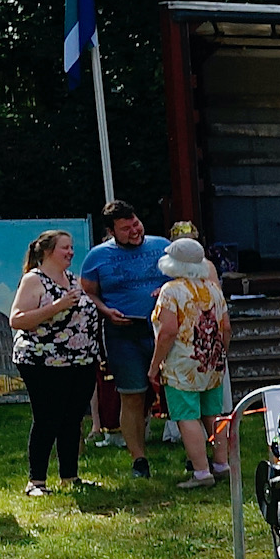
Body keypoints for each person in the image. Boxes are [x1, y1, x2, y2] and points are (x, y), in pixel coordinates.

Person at [79, 200, 171, 479]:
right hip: (123, 333)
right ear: (111, 232)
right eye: (126, 229)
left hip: (163, 329)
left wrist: (168, 289)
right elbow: (88, 292)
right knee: (132, 395)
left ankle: (197, 457)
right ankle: (139, 460)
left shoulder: (162, 246)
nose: (134, 231)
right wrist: (105, 310)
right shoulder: (97, 257)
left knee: (178, 392)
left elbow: (185, 277)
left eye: (136, 224)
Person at [10, 229, 99, 495]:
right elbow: (17, 319)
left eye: (71, 247)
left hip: (80, 360)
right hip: (42, 361)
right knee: (48, 418)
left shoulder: (71, 279)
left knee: (72, 419)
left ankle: (70, 477)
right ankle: (36, 481)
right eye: (65, 248)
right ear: (48, 252)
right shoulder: (33, 279)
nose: (71, 252)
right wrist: (57, 306)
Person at [146, 237, 231, 489]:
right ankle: (222, 464)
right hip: (211, 360)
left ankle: (201, 472)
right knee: (213, 414)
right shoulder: (213, 288)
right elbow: (226, 327)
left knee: (187, 416)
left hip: (182, 363)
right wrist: (221, 354)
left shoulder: (170, 290)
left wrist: (154, 366)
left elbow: (168, 331)